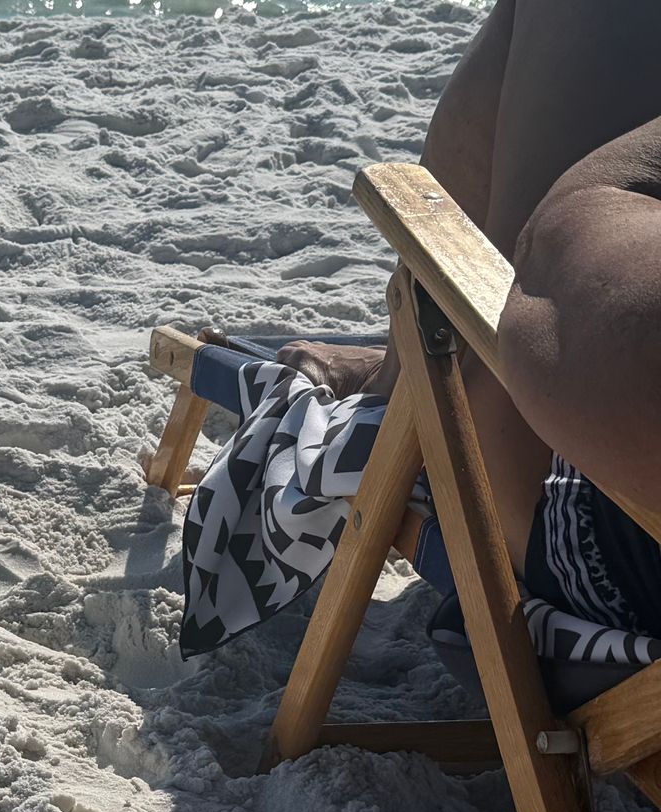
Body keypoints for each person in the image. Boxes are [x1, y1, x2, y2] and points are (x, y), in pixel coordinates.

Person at [276, 0, 661, 640]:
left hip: (611, 536)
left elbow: (609, 324)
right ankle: (399, 370)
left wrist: (606, 192)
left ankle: (406, 378)